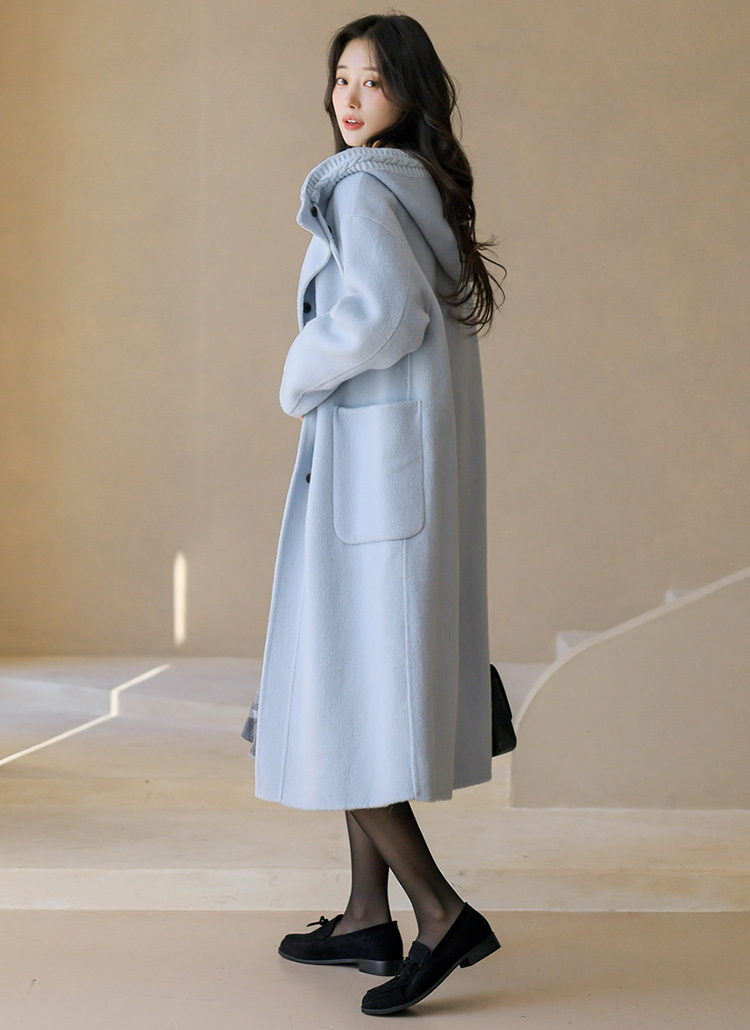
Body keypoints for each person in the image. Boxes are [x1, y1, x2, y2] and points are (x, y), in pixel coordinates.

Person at [241, 12, 506, 1017]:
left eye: (374, 82)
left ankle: (441, 913)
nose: (350, 100)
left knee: (341, 697)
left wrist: (298, 372)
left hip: (373, 489)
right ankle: (365, 915)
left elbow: (383, 316)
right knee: (360, 689)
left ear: (409, 94)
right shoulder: (418, 186)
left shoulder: (358, 186)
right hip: (398, 485)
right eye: (341, 79)